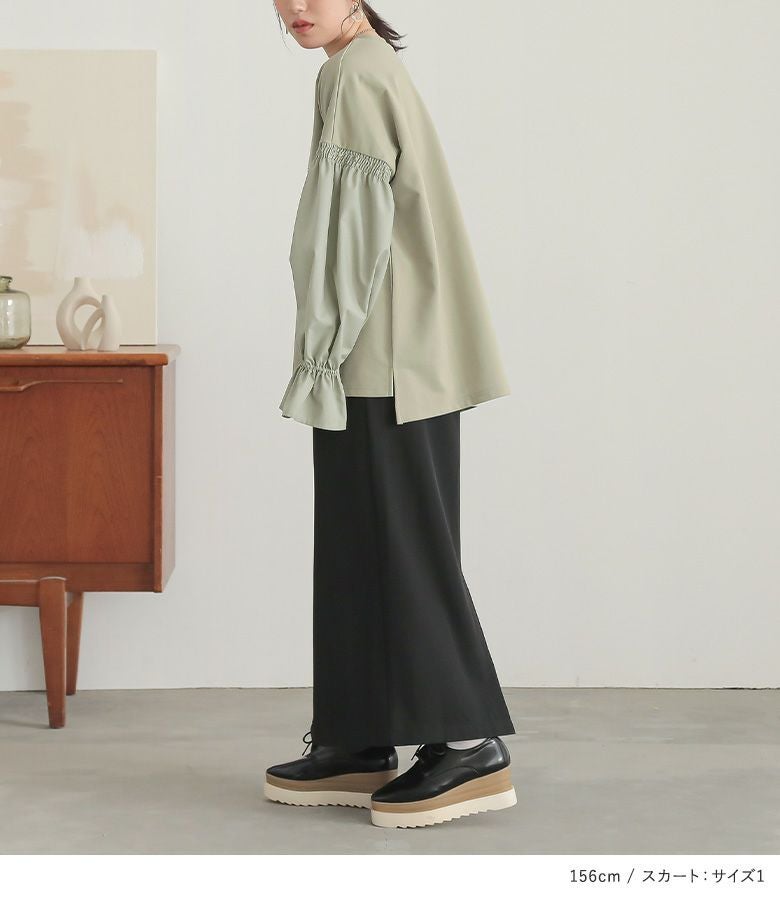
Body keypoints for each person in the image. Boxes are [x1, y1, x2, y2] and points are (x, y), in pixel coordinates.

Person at [266, 0, 518, 829]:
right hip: (387, 350)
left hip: (385, 355)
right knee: (360, 544)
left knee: (401, 547)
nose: (294, 7)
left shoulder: (356, 73)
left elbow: (347, 234)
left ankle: (468, 742)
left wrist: (320, 354)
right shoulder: (364, 67)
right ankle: (359, 735)